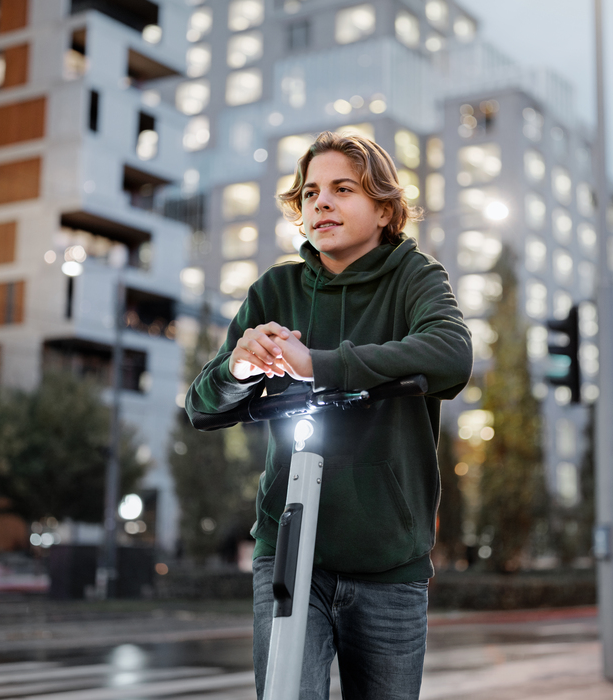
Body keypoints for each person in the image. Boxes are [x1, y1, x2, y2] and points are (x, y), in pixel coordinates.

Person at [186, 131, 472, 699]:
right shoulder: (276, 289)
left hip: (390, 559)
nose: (322, 202)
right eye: (312, 192)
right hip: (289, 553)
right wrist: (238, 370)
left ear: (385, 209)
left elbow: (450, 353)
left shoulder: (415, 277)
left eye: (343, 188)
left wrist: (318, 364)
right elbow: (201, 406)